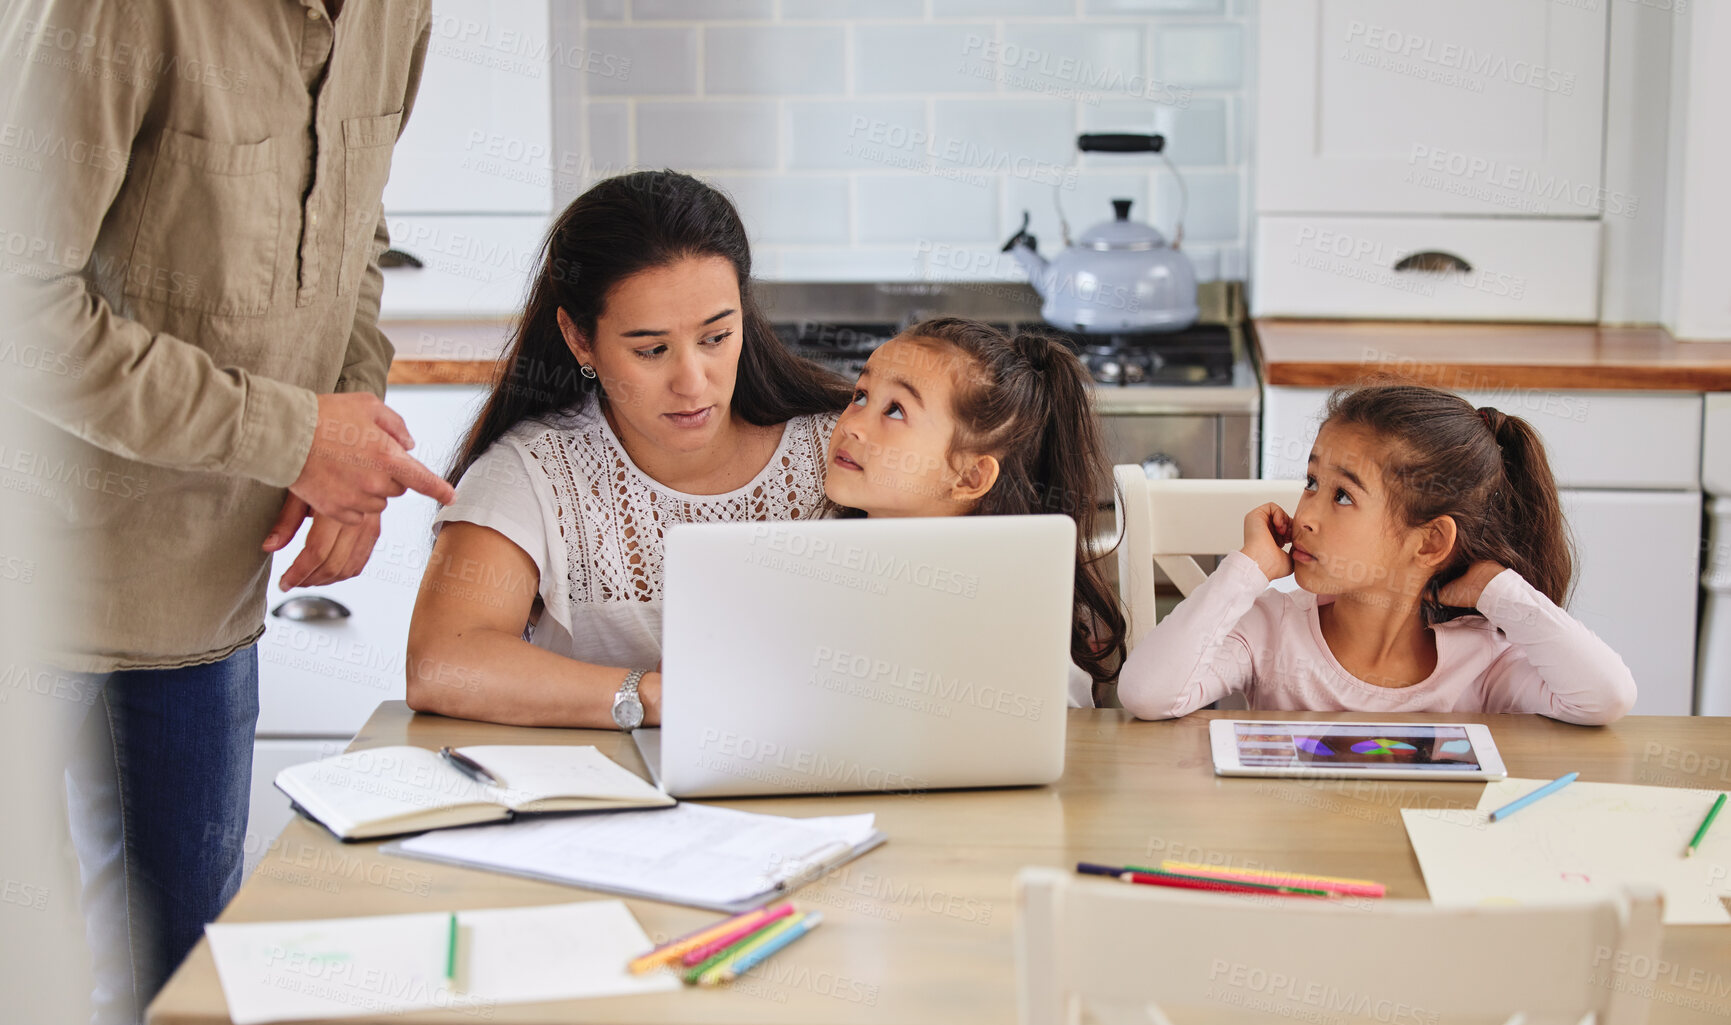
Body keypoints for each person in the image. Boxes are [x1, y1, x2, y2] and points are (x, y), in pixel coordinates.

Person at [0, 0, 454, 1025]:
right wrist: (295, 435)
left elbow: (355, 236)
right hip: (39, 580)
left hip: (210, 584)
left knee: (188, 1013)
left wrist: (348, 437)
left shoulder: (398, 11)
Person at [406, 171, 852, 728]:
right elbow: (441, 662)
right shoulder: (535, 470)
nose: (693, 382)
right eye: (651, 349)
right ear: (578, 339)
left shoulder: (843, 448)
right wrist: (657, 697)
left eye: (716, 338)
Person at [1117, 381, 1637, 723]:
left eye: (1343, 495)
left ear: (1430, 541)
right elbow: (1147, 694)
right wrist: (1247, 570)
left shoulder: (1480, 660)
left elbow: (1606, 697)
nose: (1307, 515)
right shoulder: (1271, 630)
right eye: (1311, 482)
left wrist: (1496, 591)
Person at [821, 317, 1126, 705]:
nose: (852, 426)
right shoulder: (815, 560)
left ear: (969, 476)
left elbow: (1060, 736)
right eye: (860, 395)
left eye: (895, 410)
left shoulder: (1010, 612)